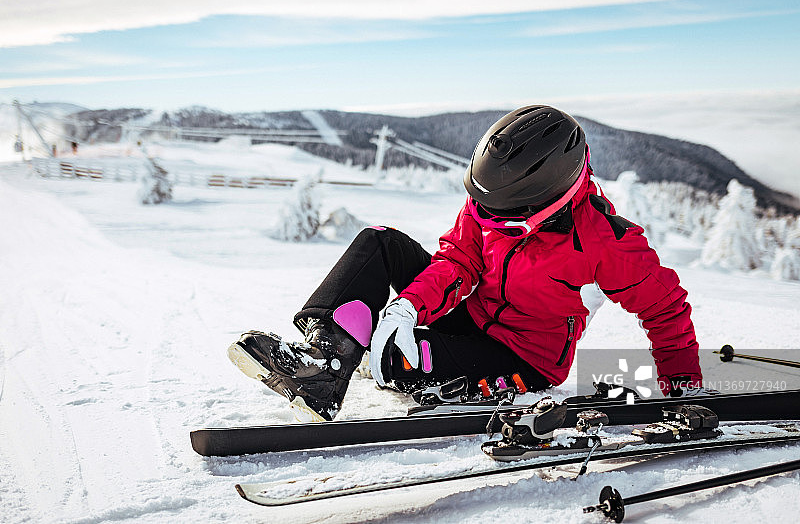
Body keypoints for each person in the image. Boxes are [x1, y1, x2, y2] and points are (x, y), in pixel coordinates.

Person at [227, 105, 703, 422]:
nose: (485, 219)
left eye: (501, 215)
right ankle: (326, 365)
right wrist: (409, 307)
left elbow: (665, 310)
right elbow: (459, 260)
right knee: (380, 242)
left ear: (550, 197)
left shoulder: (605, 241)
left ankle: (376, 356)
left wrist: (681, 389)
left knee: (395, 364)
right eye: (481, 205)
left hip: (522, 359)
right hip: (470, 317)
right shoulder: (487, 207)